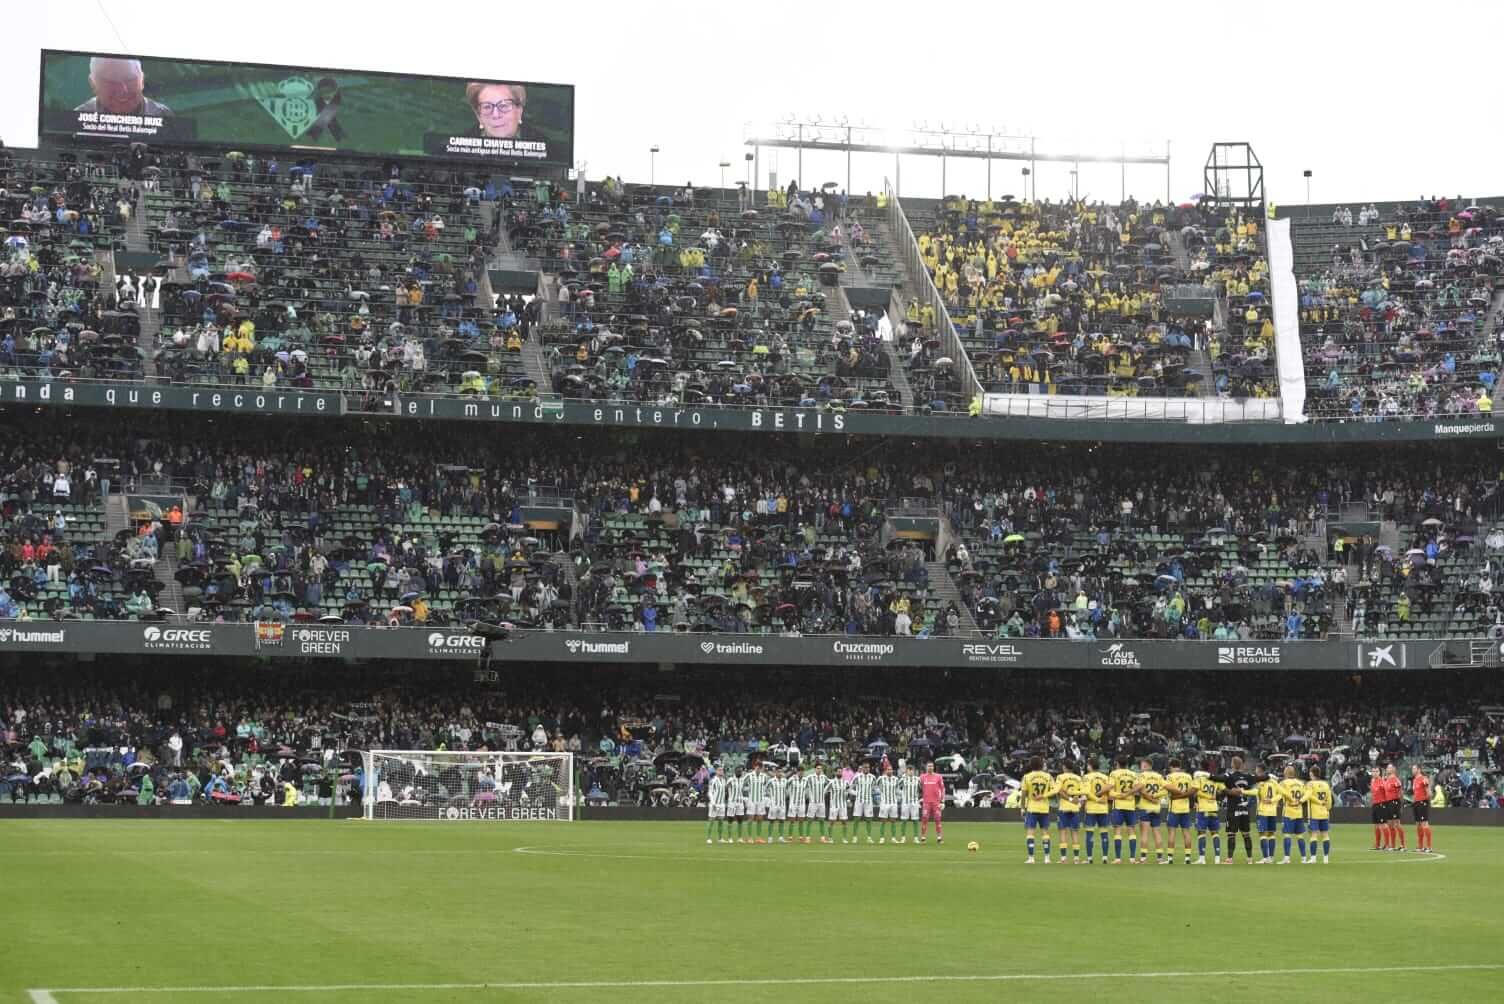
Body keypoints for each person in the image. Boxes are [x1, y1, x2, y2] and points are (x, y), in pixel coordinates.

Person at [73, 57, 173, 118]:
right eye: (111, 81)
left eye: (130, 79)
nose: (123, 90)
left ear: (142, 80)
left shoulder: (163, 114)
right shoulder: (77, 117)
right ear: (93, 84)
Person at [1020, 756, 1055, 864]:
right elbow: (1054, 791)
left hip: (1032, 808)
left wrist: (1022, 808)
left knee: (1031, 832)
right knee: (1045, 832)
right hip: (1044, 808)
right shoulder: (1048, 776)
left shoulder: (1027, 777)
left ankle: (1031, 858)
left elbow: (1023, 794)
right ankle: (1047, 858)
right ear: (1041, 765)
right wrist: (1045, 795)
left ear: (1031, 765)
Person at [1163, 758, 1196, 864]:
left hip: (1174, 808)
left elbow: (1169, 788)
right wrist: (1184, 795)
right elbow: (1192, 790)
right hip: (1185, 808)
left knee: (1172, 832)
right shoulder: (1188, 776)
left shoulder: (1170, 776)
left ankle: (1170, 859)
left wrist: (1177, 795)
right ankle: (1187, 858)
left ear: (1171, 767)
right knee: (1186, 832)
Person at [1107, 756, 1139, 864]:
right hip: (1130, 805)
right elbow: (1137, 790)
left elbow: (1110, 793)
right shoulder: (1134, 774)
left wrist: (1120, 795)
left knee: (1117, 831)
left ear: (1117, 764)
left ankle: (1117, 858)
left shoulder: (1114, 774)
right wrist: (1127, 794)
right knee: (1132, 831)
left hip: (1119, 806)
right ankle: (1132, 859)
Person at [1054, 761, 1086, 864]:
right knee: (1075, 833)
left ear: (1064, 767)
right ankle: (1076, 859)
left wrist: (1070, 799)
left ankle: (1063, 858)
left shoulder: (1060, 777)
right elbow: (1082, 792)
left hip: (1064, 807)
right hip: (1075, 808)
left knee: (1063, 832)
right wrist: (1078, 802)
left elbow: (1059, 791)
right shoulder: (1078, 778)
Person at [1136, 758, 1167, 863]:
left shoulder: (1142, 776)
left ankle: (1143, 858)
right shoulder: (1159, 776)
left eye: (1141, 765)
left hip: (1145, 807)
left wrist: (1150, 799)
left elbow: (1141, 791)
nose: (1140, 767)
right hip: (1156, 808)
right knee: (1157, 832)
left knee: (1144, 833)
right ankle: (1160, 858)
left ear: (1145, 765)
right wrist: (1156, 797)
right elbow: (1166, 789)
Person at [1082, 762, 1113, 864]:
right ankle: (1105, 858)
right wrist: (1103, 799)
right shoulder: (1105, 777)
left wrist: (1096, 799)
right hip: (1103, 809)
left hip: (1091, 808)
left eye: (1088, 765)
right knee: (1104, 833)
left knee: (1089, 833)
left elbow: (1087, 792)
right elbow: (1109, 792)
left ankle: (1090, 858)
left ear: (1090, 766)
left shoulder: (1086, 777)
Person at [1193, 767, 1225, 864]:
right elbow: (1223, 790)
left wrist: (1204, 796)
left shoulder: (1199, 778)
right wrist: (1217, 796)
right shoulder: (1215, 780)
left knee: (1201, 833)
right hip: (1214, 808)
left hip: (1203, 809)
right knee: (1215, 833)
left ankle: (1202, 859)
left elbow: (1196, 791)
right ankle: (1217, 858)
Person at [1277, 765, 1308, 864]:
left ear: (1285, 773)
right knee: (1300, 836)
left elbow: (1279, 794)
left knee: (1287, 835)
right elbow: (1305, 794)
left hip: (1289, 812)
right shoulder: (1301, 783)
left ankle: (1287, 858)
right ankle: (1303, 858)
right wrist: (1300, 801)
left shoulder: (1283, 783)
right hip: (1299, 812)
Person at [1306, 764, 1334, 863]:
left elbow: (1309, 796)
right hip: (1324, 813)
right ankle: (1325, 858)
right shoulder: (1326, 784)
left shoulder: (1310, 784)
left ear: (1311, 773)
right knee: (1325, 835)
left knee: (1314, 835)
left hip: (1314, 813)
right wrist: (1327, 808)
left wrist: (1318, 802)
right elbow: (1329, 800)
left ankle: (1313, 858)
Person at [1255, 766, 1283, 863]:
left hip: (1262, 811)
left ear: (1260, 772)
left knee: (1262, 834)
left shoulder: (1260, 782)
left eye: (1257, 771)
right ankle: (1271, 857)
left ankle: (1265, 858)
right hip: (1272, 811)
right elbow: (1280, 794)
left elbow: (1256, 794)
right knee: (1271, 834)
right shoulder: (1274, 782)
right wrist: (1272, 800)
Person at [918, 761, 945, 844]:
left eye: (931, 766)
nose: (930, 767)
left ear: (933, 767)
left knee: (937, 819)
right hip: (926, 802)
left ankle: (939, 837)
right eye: (929, 766)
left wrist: (942, 801)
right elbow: (919, 789)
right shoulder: (922, 777)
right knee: (924, 819)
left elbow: (942, 789)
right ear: (926, 767)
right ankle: (923, 837)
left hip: (936, 802)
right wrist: (920, 799)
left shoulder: (938, 777)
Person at [850, 762, 877, 843]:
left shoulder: (872, 777)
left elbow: (874, 788)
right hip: (859, 801)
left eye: (868, 767)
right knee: (856, 819)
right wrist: (857, 793)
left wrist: (871, 793)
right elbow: (850, 788)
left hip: (868, 801)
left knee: (869, 819)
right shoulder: (857, 777)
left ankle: (869, 837)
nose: (867, 769)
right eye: (865, 767)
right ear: (862, 768)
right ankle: (854, 837)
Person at [1410, 764, 1434, 853]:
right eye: (1412, 769)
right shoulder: (1415, 780)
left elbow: (1429, 792)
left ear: (1419, 770)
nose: (1412, 770)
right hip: (1416, 803)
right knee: (1418, 824)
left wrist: (1426, 800)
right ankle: (1420, 846)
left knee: (1424, 824)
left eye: (1414, 768)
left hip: (1422, 802)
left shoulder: (1423, 779)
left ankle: (1429, 846)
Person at [1384, 764, 1407, 851]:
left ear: (1394, 769)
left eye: (1389, 767)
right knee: (1390, 825)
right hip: (1388, 803)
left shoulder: (1395, 780)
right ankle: (1392, 846)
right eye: (1387, 767)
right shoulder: (1387, 780)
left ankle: (1403, 845)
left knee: (1397, 824)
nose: (1387, 769)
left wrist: (1400, 805)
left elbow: (1400, 793)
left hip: (1394, 802)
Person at [877, 763, 901, 843]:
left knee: (893, 820)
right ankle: (881, 838)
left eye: (891, 769)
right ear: (885, 770)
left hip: (893, 803)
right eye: (888, 769)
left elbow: (897, 790)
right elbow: (876, 787)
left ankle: (893, 838)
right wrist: (880, 795)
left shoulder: (896, 779)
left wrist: (902, 794)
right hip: (884, 803)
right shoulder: (881, 778)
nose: (890, 771)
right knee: (883, 820)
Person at [899, 763, 922, 843]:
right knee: (904, 820)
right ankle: (903, 837)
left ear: (914, 771)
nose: (911, 772)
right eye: (909, 770)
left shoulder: (918, 779)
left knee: (915, 820)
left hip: (914, 803)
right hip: (905, 802)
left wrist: (920, 799)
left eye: (912, 770)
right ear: (907, 771)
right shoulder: (903, 779)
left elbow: (921, 790)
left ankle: (916, 837)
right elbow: (898, 788)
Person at [744, 762, 767, 843]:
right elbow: (742, 784)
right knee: (750, 818)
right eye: (757, 767)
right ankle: (749, 837)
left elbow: (766, 786)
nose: (758, 768)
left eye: (760, 767)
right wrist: (746, 794)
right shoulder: (749, 775)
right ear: (754, 767)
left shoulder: (764, 776)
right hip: (752, 800)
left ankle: (759, 837)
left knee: (760, 819)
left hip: (761, 800)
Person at [827, 767, 850, 843]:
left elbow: (849, 791)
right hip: (834, 805)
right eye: (838, 772)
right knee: (831, 821)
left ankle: (844, 838)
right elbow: (825, 791)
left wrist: (857, 793)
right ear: (835, 773)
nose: (840, 773)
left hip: (843, 805)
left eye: (841, 772)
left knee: (844, 822)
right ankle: (830, 838)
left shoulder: (845, 782)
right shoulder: (832, 782)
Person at [706, 764, 728, 843]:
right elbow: (710, 792)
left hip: (721, 804)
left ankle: (720, 838)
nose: (721, 771)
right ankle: (708, 838)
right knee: (711, 821)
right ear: (716, 771)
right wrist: (713, 802)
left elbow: (724, 792)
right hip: (714, 804)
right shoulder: (713, 780)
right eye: (719, 770)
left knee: (721, 821)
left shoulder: (724, 780)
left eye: (722, 770)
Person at [765, 765, 787, 843]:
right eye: (778, 771)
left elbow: (786, 789)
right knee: (771, 820)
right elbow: (765, 788)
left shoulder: (785, 780)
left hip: (782, 804)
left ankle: (781, 837)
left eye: (781, 771)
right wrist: (769, 797)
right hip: (773, 804)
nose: (779, 773)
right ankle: (770, 837)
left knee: (782, 820)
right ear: (775, 772)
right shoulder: (771, 781)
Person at [725, 765, 746, 843]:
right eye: (738, 771)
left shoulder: (742, 780)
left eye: (740, 771)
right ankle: (730, 837)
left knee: (740, 820)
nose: (739, 772)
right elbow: (726, 788)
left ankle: (740, 838)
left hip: (740, 802)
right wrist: (728, 796)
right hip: (732, 802)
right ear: (735, 772)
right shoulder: (730, 779)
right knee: (730, 819)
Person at [1370, 768, 1387, 850]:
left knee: (1383, 824)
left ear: (1379, 773)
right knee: (1376, 825)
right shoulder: (1372, 781)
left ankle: (1387, 844)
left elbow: (1386, 792)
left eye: (1376, 771)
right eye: (1373, 771)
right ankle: (1377, 845)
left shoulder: (1382, 781)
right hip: (1375, 804)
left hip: (1381, 804)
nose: (1374, 773)